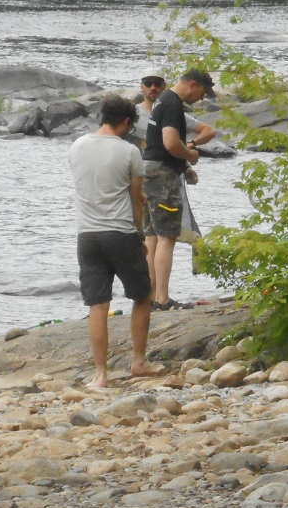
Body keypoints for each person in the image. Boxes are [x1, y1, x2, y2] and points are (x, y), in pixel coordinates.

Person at [68, 93, 166, 389]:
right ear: (125, 121)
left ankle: (100, 375)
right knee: (142, 295)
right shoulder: (129, 152)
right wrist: (140, 235)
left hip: (87, 235)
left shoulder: (77, 146)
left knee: (98, 305)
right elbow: (136, 200)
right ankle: (138, 361)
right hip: (121, 233)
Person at [142, 68, 215, 310]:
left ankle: (150, 296)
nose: (202, 98)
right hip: (163, 174)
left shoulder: (162, 99)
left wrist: (184, 165)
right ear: (193, 84)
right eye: (202, 92)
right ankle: (162, 299)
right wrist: (190, 155)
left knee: (152, 236)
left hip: (148, 170)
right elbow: (171, 143)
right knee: (167, 237)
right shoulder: (173, 103)